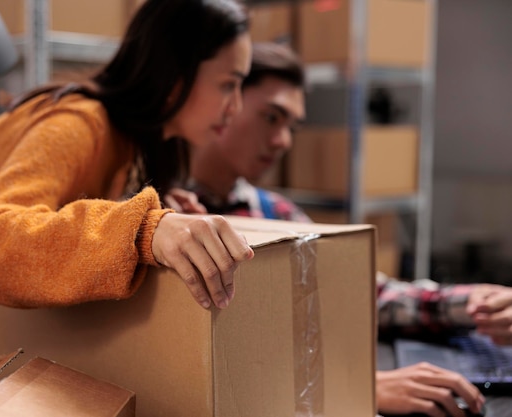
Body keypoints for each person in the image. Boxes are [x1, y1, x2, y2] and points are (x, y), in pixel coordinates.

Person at [0, 0, 256, 378]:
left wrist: (143, 210)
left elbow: (59, 219)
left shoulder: (125, 145)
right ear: (175, 74)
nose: (236, 106)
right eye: (229, 84)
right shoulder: (78, 122)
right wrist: (142, 229)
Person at [172, 41, 512, 417]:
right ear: (226, 102)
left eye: (291, 126)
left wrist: (477, 303)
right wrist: (352, 387)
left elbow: (362, 291)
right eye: (271, 117)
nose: (284, 141)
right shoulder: (156, 220)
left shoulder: (275, 212)